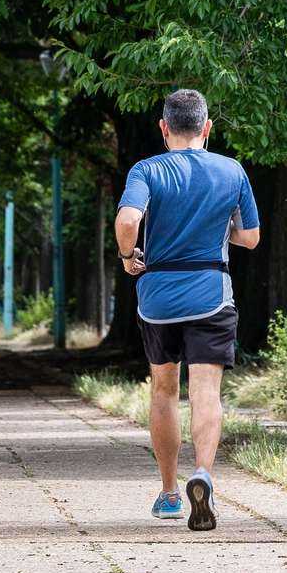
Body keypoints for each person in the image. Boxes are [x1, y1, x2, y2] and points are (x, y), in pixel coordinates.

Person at [116, 89, 260, 532]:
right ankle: (203, 473)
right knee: (205, 391)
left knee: (163, 389)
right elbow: (251, 237)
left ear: (164, 128)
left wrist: (127, 257)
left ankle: (169, 493)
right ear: (207, 127)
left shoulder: (147, 170)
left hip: (158, 295)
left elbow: (127, 221)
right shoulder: (231, 170)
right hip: (210, 292)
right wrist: (218, 232)